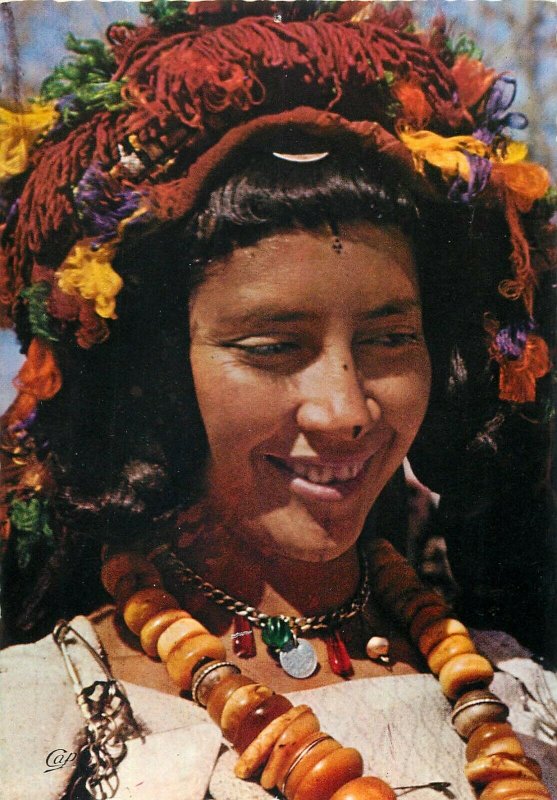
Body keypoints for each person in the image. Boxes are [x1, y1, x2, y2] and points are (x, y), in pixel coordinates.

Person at [1, 4, 555, 800]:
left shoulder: (519, 697)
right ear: (154, 373)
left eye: (390, 339)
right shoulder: (42, 721)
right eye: (271, 347)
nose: (346, 409)